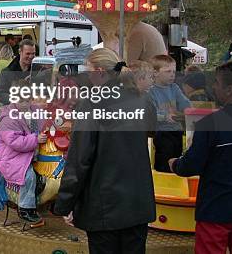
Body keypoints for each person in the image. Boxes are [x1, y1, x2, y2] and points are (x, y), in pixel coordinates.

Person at [53, 48, 156, 254]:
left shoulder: (91, 103)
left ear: (99, 71)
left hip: (104, 204)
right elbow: (151, 132)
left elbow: (79, 159)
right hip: (138, 201)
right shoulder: (142, 100)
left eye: (88, 70)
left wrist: (64, 203)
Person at [169, 62, 232, 254]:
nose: (213, 87)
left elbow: (192, 164)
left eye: (217, 83)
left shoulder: (210, 124)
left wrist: (176, 165)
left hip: (215, 208)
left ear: (229, 89)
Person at [0, 93, 47, 222]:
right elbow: (15, 142)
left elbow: (46, 120)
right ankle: (25, 208)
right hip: (11, 156)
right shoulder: (9, 119)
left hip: (30, 151)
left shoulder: (35, 111)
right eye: (21, 101)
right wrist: (35, 139)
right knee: (29, 176)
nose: (25, 104)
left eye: (28, 100)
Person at [149, 54, 191, 172]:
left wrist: (186, 111)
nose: (172, 74)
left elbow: (185, 104)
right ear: (155, 73)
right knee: (165, 157)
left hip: (177, 130)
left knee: (178, 155)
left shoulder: (174, 88)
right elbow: (150, 113)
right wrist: (165, 116)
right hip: (161, 132)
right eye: (168, 71)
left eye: (173, 71)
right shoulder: (151, 91)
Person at [0, 39, 37, 105]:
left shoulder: (38, 70)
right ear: (20, 52)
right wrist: (17, 100)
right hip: (13, 111)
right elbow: (0, 94)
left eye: (33, 53)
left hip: (33, 111)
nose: (31, 56)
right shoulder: (7, 72)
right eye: (28, 53)